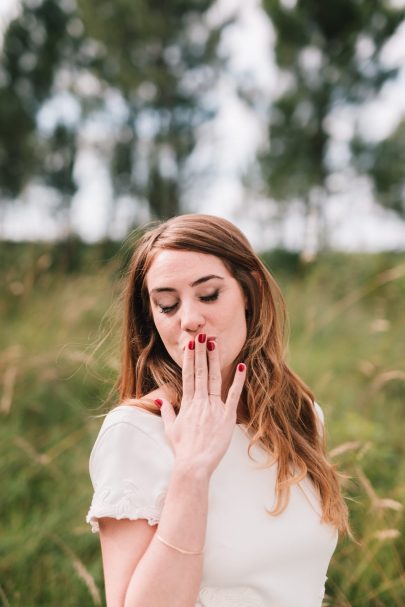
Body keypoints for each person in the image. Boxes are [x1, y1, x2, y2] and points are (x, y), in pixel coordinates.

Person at [86, 214, 349, 607]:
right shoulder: (136, 433)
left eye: (208, 295)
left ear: (249, 292)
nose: (189, 320)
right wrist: (192, 469)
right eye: (167, 305)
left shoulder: (301, 415)